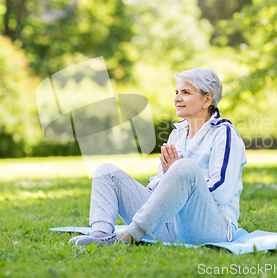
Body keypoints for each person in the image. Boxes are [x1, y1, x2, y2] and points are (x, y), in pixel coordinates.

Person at [70, 68, 247, 246]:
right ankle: (100, 236)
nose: (177, 98)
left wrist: (181, 178)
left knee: (185, 167)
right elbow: (158, 184)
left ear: (207, 99)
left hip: (212, 229)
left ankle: (129, 236)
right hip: (168, 224)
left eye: (186, 92)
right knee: (106, 171)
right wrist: (173, 180)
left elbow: (222, 192)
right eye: (177, 92)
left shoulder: (224, 134)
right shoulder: (177, 134)